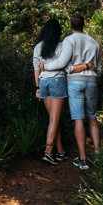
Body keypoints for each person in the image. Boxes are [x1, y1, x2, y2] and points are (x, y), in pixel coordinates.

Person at [41, 13, 100, 170]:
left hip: (74, 82)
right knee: (92, 118)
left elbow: (62, 63)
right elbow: (98, 67)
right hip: (92, 81)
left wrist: (46, 67)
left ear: (70, 25)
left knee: (79, 119)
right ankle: (99, 154)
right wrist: (89, 68)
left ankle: (83, 159)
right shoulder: (93, 42)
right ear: (84, 24)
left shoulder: (69, 40)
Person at [32, 18, 67, 165]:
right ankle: (47, 153)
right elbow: (64, 65)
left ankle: (60, 151)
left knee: (54, 119)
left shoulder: (38, 47)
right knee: (54, 119)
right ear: (58, 31)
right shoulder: (61, 46)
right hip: (57, 82)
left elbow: (36, 68)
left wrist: (38, 87)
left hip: (44, 83)